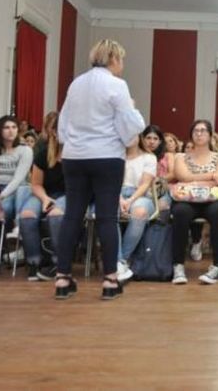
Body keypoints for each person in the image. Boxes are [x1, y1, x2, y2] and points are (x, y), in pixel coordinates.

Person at [54, 39, 145, 300]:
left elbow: (63, 124)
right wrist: (135, 114)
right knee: (107, 218)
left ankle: (62, 278)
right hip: (106, 156)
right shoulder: (117, 85)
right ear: (114, 58)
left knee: (72, 215)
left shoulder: (76, 84)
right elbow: (130, 126)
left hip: (74, 157)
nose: (122, 65)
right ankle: (109, 280)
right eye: (122, 59)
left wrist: (73, 143)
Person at [170, 120, 218, 285]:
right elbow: (182, 177)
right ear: (191, 135)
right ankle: (178, 266)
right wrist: (211, 176)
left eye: (203, 130)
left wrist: (192, 180)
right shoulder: (181, 157)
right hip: (188, 199)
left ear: (210, 135)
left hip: (215, 198)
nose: (199, 134)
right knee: (180, 212)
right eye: (196, 130)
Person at [19, 113, 65, 281]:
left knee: (56, 215)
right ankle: (34, 261)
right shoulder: (44, 153)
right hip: (44, 192)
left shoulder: (78, 154)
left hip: (70, 195)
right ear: (53, 131)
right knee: (26, 215)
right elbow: (36, 184)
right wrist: (45, 199)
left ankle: (59, 263)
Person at [116, 134, 158, 281]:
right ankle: (119, 261)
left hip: (140, 194)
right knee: (108, 212)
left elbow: (145, 184)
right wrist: (120, 198)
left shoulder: (149, 157)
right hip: (115, 193)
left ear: (139, 136)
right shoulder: (115, 155)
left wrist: (130, 200)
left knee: (140, 212)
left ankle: (121, 260)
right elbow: (110, 181)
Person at [0, 116, 33, 237]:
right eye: (6, 127)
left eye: (14, 127)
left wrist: (1, 195)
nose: (11, 131)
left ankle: (5, 244)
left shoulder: (25, 150)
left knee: (5, 209)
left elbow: (18, 178)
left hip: (14, 190)